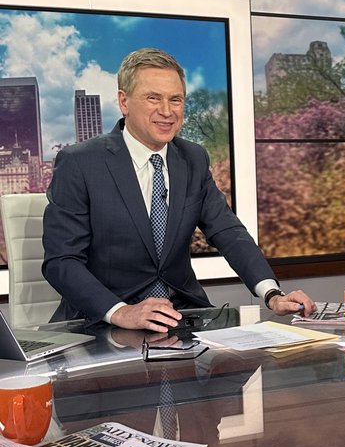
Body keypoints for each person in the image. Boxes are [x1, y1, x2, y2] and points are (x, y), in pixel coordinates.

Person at [42, 48, 316, 332]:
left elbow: (228, 232)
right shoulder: (80, 162)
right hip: (104, 320)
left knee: (255, 365)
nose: (167, 111)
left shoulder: (193, 158)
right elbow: (62, 261)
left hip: (181, 315)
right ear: (124, 102)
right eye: (153, 98)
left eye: (176, 100)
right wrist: (121, 312)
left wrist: (272, 294)